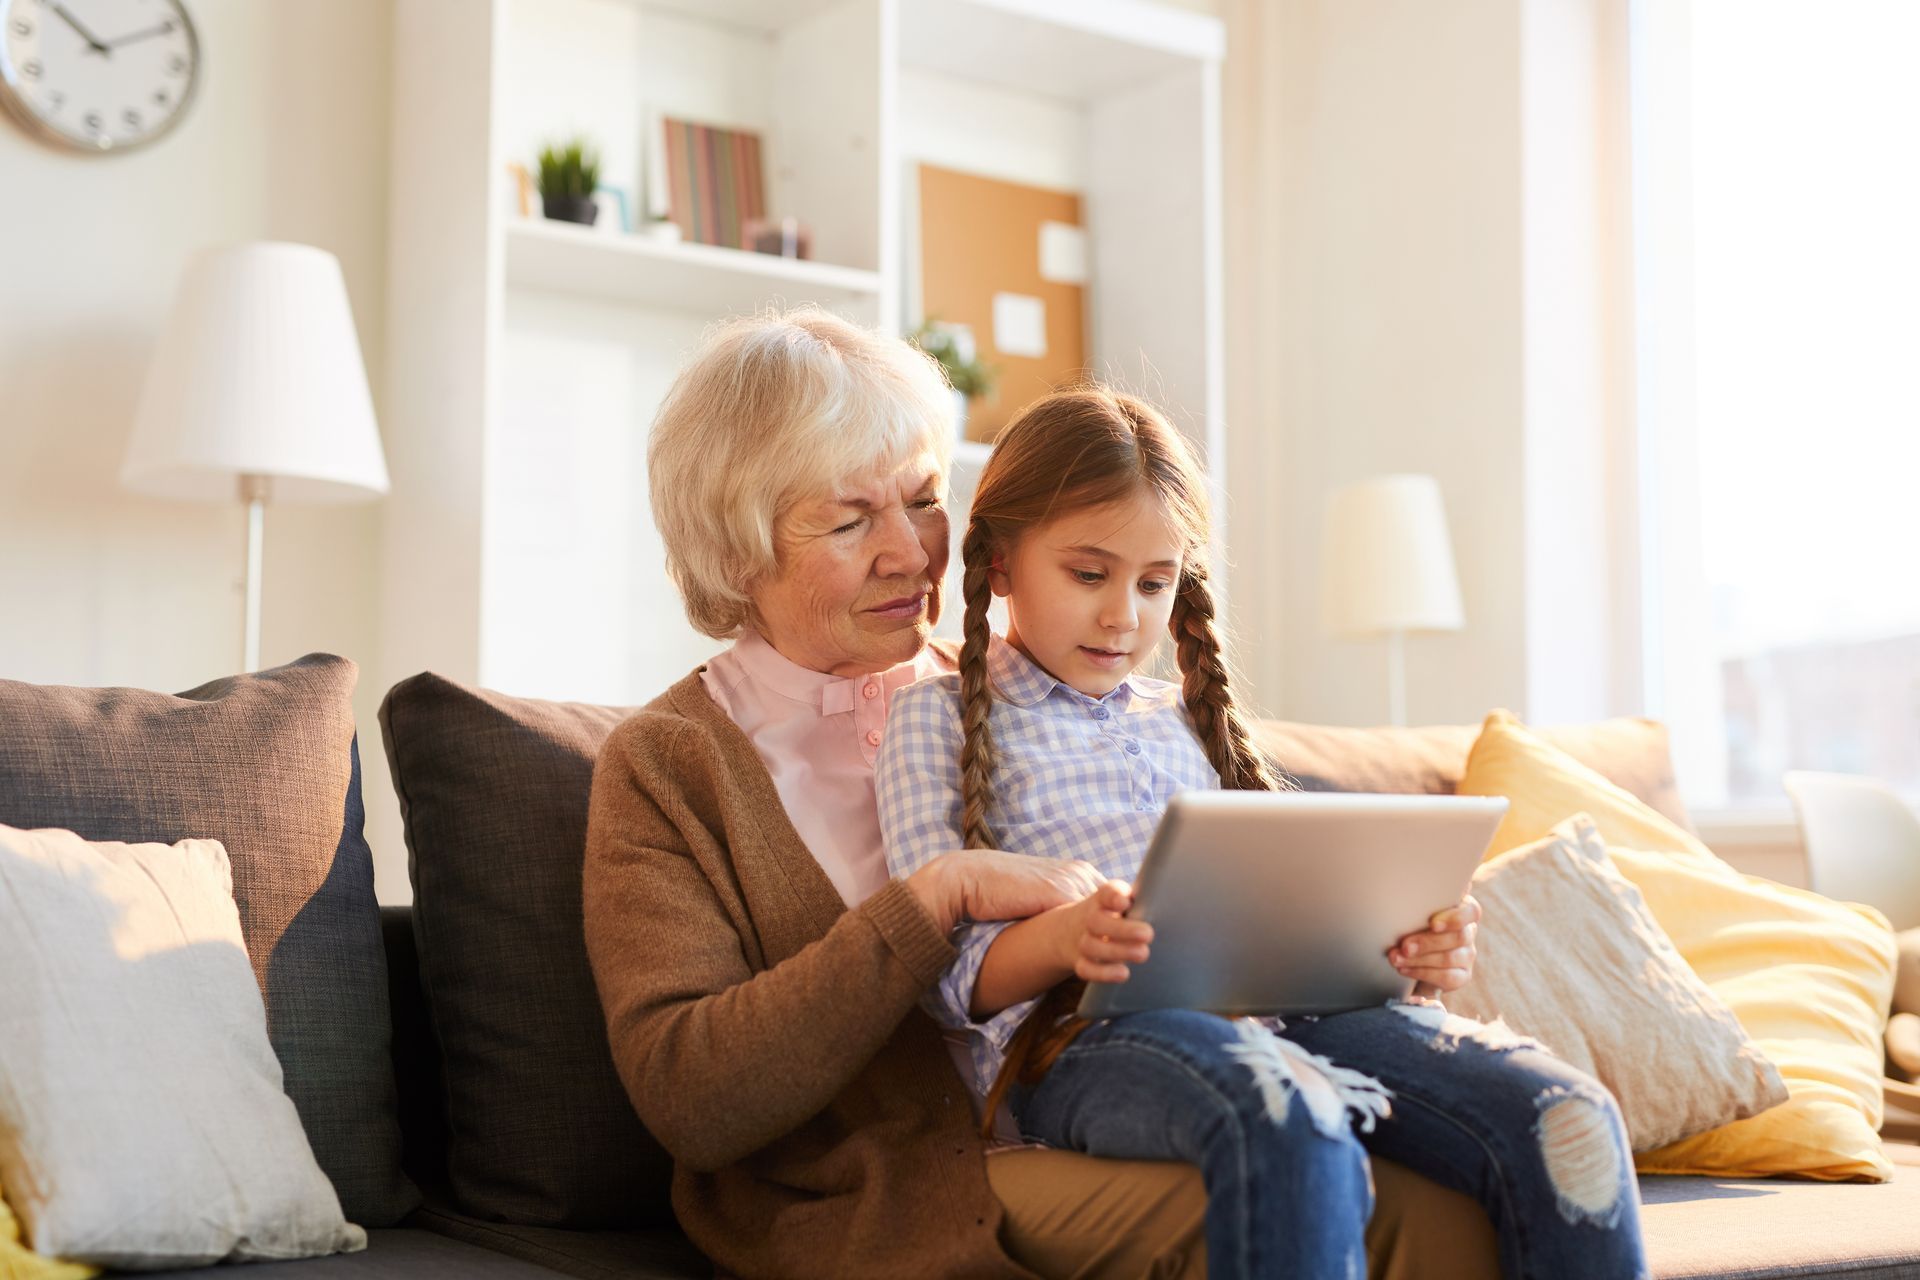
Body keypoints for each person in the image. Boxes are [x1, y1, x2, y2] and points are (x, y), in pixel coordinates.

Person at [582, 307, 1502, 1280]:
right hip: (909, 1183)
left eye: (924, 500)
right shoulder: (669, 764)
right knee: (1376, 1208)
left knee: (1453, 1191)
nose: (912, 554)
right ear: (735, 551)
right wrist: (932, 900)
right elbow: (692, 1097)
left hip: (1126, 1090)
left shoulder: (1024, 683)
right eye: (849, 521)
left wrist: (1376, 947)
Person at [877, 386, 1650, 1279]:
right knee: (1288, 1113)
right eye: (1089, 575)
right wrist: (1067, 938)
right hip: (1078, 1040)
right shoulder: (933, 718)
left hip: (1298, 1017)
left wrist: (1406, 956)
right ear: (1000, 560)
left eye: (1154, 583)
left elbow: (1286, 921)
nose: (1124, 615)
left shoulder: (1191, 720)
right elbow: (941, 980)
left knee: (1569, 1119)